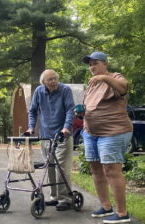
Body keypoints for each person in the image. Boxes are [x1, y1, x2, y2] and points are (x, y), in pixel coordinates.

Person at [80, 52, 133, 223]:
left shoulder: (114, 77)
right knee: (95, 169)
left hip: (113, 131)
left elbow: (123, 88)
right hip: (90, 132)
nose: (92, 67)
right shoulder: (91, 85)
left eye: (95, 63)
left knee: (111, 170)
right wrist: (80, 113)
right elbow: (91, 106)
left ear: (105, 64)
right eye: (90, 65)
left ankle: (122, 213)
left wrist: (103, 77)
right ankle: (106, 206)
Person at [27, 69, 75, 211]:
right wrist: (31, 128)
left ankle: (65, 198)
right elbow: (33, 110)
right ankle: (54, 197)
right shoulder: (39, 92)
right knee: (50, 168)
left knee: (62, 168)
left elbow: (70, 110)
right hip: (46, 136)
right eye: (50, 79)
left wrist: (66, 127)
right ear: (43, 82)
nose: (54, 81)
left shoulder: (65, 90)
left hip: (62, 136)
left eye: (55, 78)